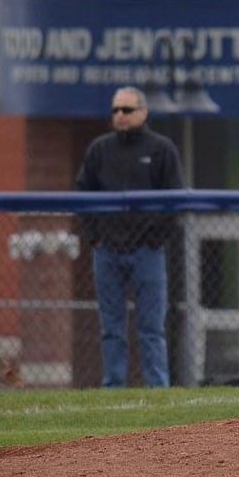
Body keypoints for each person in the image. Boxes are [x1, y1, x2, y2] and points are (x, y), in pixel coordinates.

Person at [76, 86, 184, 387]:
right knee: (111, 328)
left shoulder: (161, 149)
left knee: (151, 327)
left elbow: (175, 199)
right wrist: (95, 237)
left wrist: (155, 238)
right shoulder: (99, 149)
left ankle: (157, 389)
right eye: (115, 110)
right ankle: (113, 387)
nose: (119, 116)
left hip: (147, 253)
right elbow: (82, 194)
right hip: (107, 251)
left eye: (126, 110)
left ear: (143, 112)